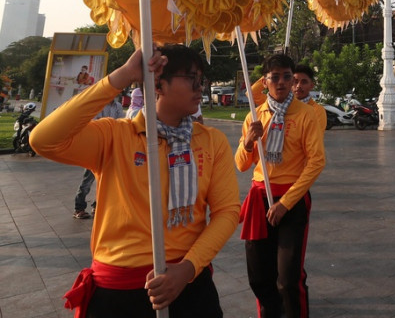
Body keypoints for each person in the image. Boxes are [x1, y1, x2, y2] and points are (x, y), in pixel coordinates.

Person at [32, 45, 240, 317]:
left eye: (201, 79)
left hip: (188, 282)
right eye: (191, 78)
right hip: (119, 291)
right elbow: (43, 140)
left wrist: (187, 268)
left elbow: (227, 211)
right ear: (159, 85)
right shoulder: (115, 136)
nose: (200, 87)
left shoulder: (212, 141)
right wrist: (124, 75)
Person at [236, 54, 326, 317]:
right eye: (274, 77)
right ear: (264, 81)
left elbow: (316, 162)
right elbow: (241, 164)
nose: (283, 82)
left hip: (292, 200)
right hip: (259, 197)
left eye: (287, 76)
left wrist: (285, 203)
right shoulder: (256, 115)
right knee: (259, 277)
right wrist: (249, 142)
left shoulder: (307, 114)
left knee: (287, 279)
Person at [73, 95, 126, 219]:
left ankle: (97, 206)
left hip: (111, 146)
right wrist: (110, 127)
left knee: (105, 180)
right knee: (88, 179)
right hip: (96, 147)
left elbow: (121, 123)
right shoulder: (98, 105)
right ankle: (79, 208)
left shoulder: (117, 106)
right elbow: (95, 125)